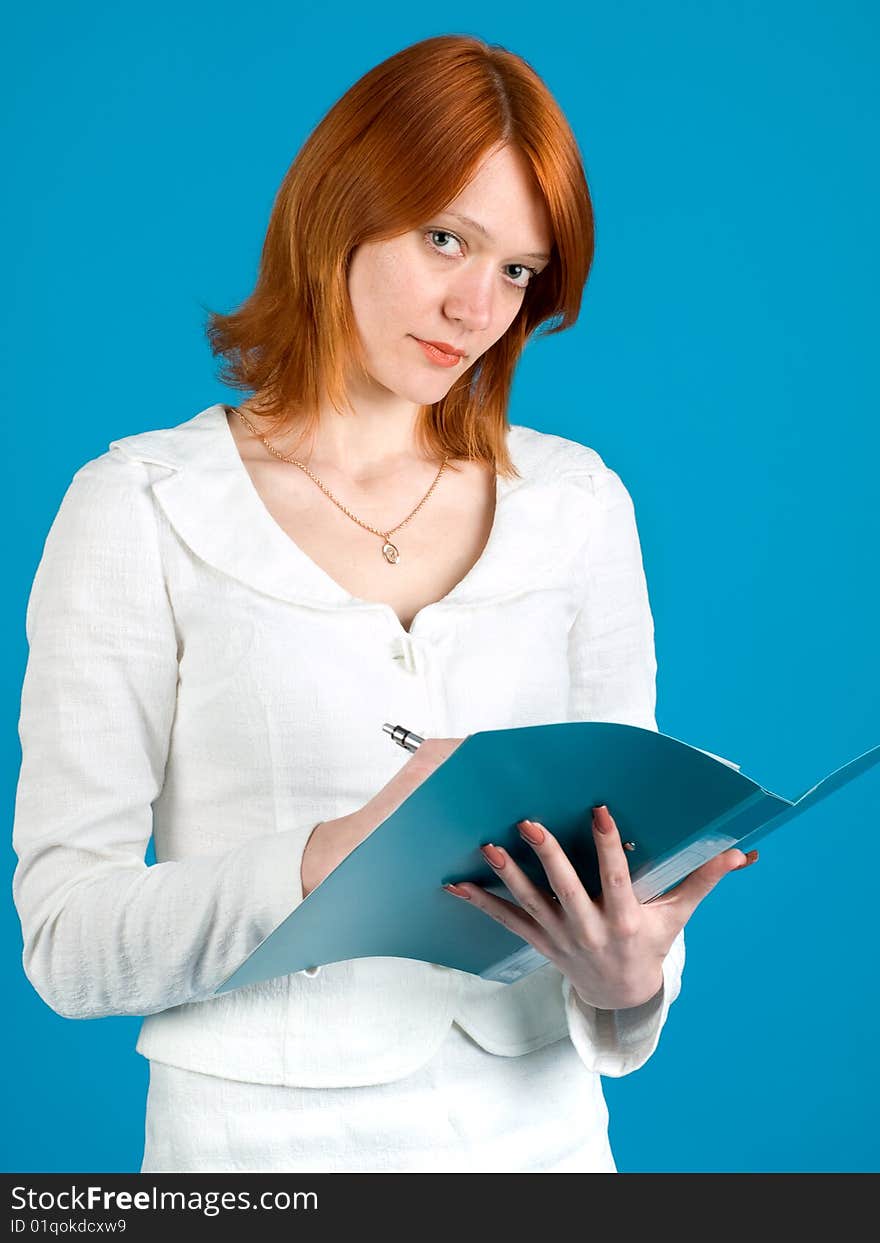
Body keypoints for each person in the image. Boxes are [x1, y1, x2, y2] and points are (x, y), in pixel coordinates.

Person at [11, 33, 757, 1174]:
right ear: (338, 213)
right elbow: (66, 941)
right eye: (445, 239)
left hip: (544, 1145)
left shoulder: (577, 504)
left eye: (515, 270)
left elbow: (629, 867)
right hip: (254, 1158)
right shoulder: (140, 508)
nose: (474, 307)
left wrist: (632, 979)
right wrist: (325, 860)